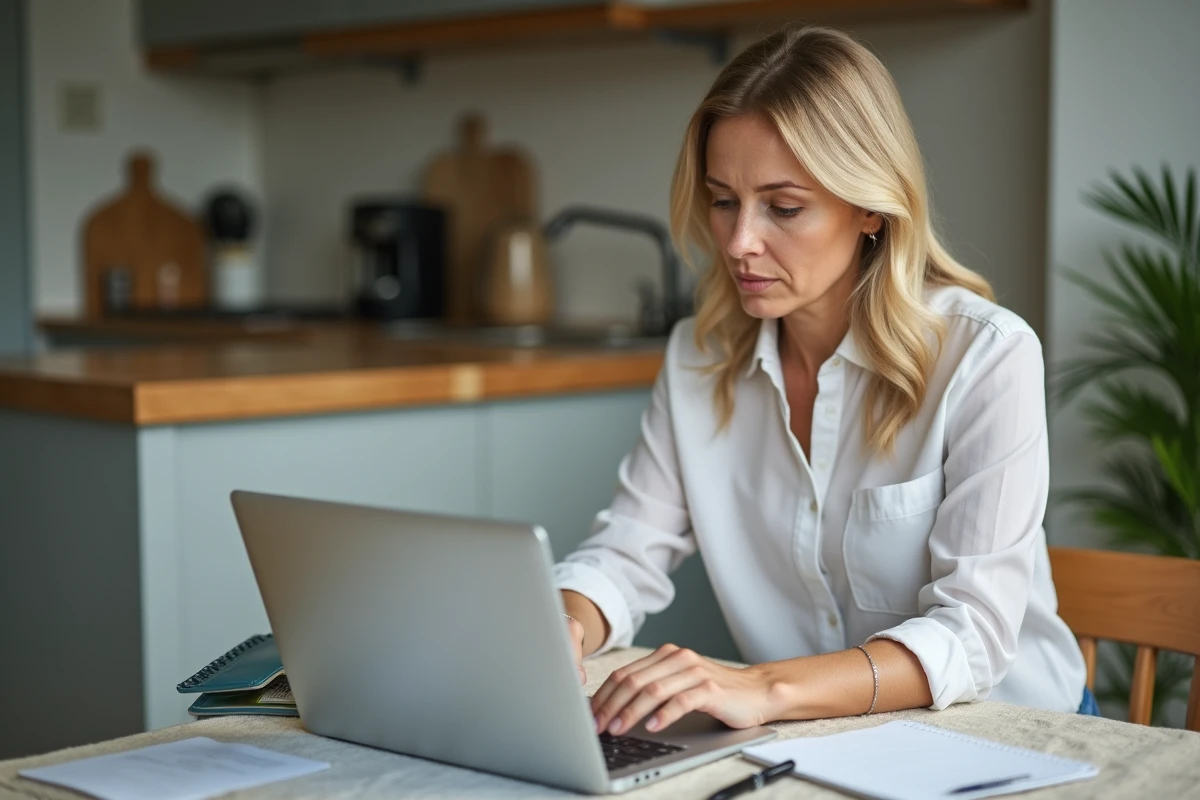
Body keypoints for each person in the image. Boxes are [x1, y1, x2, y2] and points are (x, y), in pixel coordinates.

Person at [553, 25, 1089, 738]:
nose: (741, 242)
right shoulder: (697, 358)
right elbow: (625, 551)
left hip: (1011, 734)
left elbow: (973, 634)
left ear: (869, 206)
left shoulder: (985, 356)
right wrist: (561, 624)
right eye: (722, 200)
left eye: (783, 207)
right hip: (818, 737)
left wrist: (764, 686)